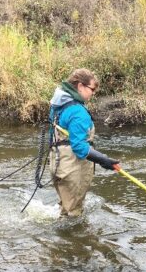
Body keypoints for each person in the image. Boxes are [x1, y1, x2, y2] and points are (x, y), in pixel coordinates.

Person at [49, 68, 119, 217]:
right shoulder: (78, 112)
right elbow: (79, 147)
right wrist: (103, 159)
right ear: (80, 86)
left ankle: (61, 237)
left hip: (57, 165)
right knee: (73, 214)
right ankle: (73, 240)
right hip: (73, 168)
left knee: (66, 207)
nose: (93, 93)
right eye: (92, 89)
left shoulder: (58, 104)